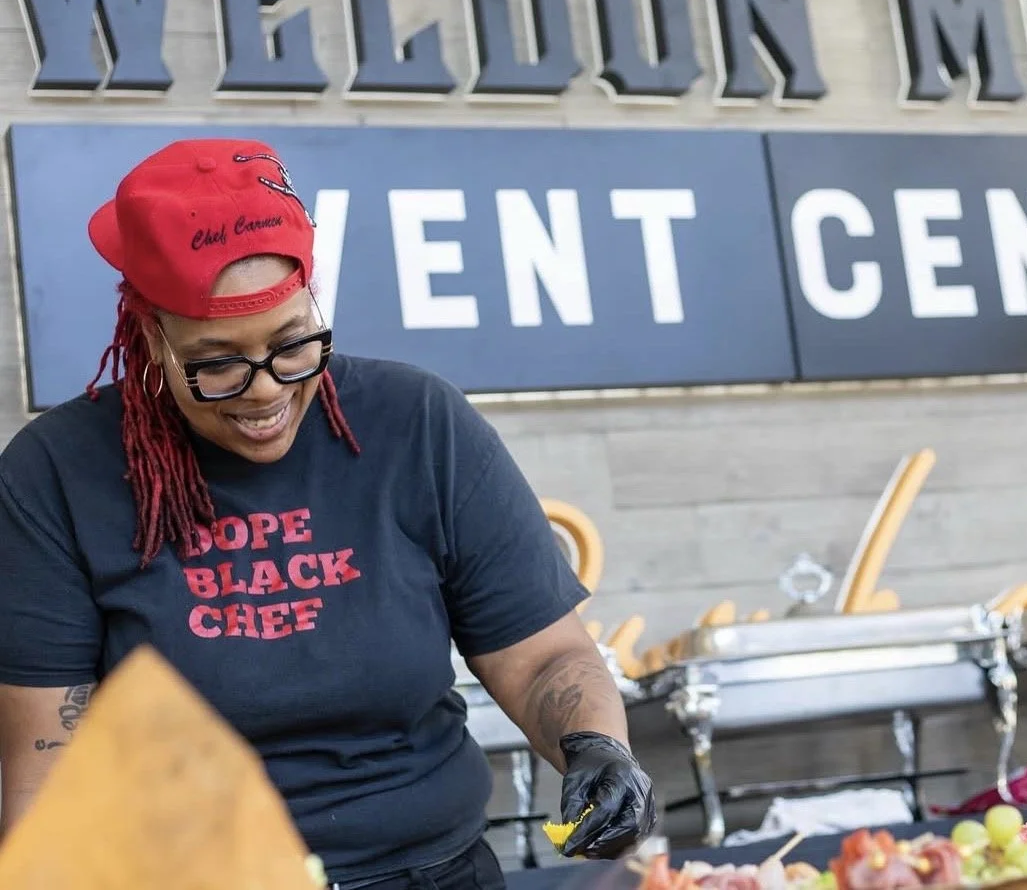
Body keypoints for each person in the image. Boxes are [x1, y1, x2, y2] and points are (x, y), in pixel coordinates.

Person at [0, 139, 656, 888]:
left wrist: (595, 746)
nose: (265, 392)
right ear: (149, 336)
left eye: (292, 346)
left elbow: (543, 657)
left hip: (433, 872)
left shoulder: (417, 425)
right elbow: (45, 762)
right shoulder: (55, 474)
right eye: (217, 363)